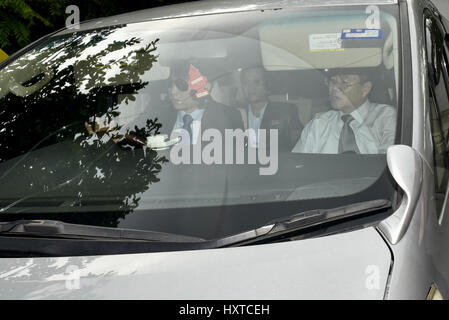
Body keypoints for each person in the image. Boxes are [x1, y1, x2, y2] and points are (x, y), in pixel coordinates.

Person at [291, 70, 396, 154]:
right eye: (333, 81)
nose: (335, 88)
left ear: (365, 88)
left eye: (345, 82)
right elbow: (298, 164)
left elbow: (389, 164)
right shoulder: (319, 124)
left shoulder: (385, 117)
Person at [240, 66, 303, 151]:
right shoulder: (236, 114)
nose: (251, 87)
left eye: (256, 82)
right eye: (246, 82)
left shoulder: (286, 113)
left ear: (267, 85)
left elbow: (300, 147)